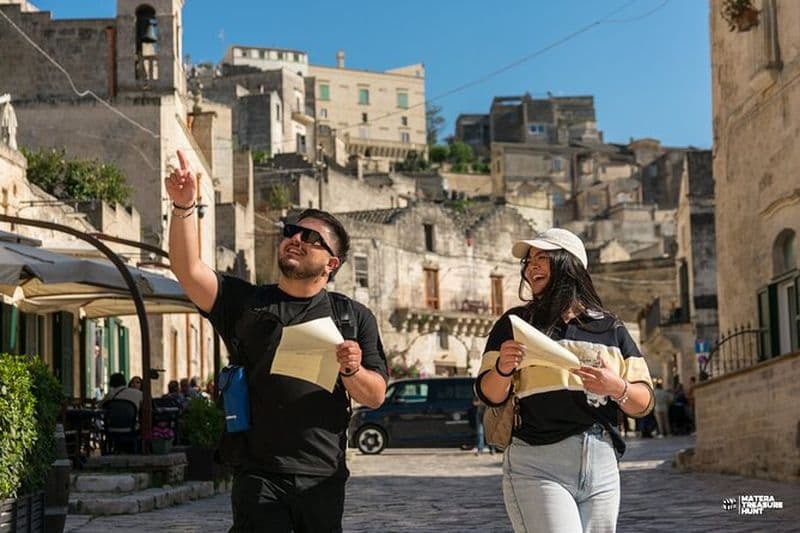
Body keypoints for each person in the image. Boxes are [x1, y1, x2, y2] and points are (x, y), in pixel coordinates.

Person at [165, 150, 388, 532]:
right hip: (258, 474)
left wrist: (351, 367)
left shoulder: (351, 316)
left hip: (323, 476)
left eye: (311, 238)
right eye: (292, 231)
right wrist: (184, 205)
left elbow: (375, 394)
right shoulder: (246, 304)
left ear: (332, 263)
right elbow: (188, 270)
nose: (295, 239)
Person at [476, 228, 655, 533]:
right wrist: (504, 369)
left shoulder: (611, 328)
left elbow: (644, 402)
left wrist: (616, 387)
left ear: (568, 265)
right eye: (529, 261)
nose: (531, 267)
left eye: (542, 258)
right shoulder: (515, 324)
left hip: (602, 465)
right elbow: (489, 394)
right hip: (537, 464)